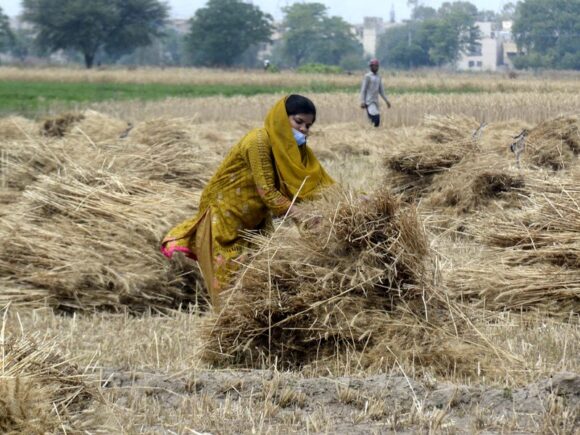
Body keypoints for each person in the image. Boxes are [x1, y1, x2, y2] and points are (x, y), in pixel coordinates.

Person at [161, 95, 334, 308]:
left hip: (255, 219)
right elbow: (268, 192)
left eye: (308, 125)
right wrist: (304, 216)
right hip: (226, 217)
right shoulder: (258, 141)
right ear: (281, 118)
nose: (304, 130)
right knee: (229, 284)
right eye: (298, 122)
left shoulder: (290, 150)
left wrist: (341, 203)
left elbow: (311, 183)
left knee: (261, 275)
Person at [360, 58, 391, 127]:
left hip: (375, 102)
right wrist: (362, 101)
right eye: (373, 66)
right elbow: (363, 90)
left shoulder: (378, 77)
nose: (375, 67)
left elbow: (381, 91)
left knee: (375, 122)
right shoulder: (367, 76)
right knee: (376, 118)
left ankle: (373, 133)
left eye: (376, 66)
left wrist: (387, 101)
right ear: (370, 66)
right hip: (369, 102)